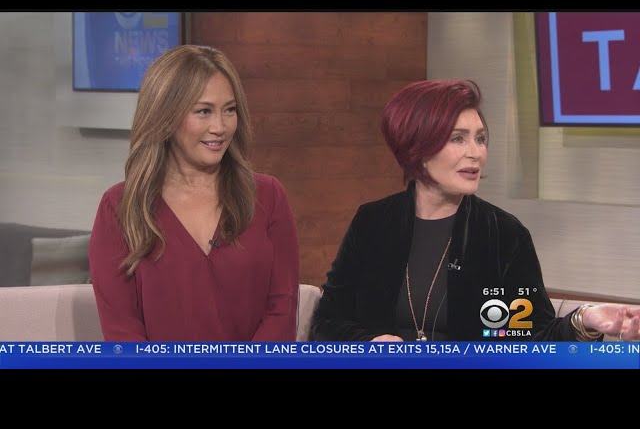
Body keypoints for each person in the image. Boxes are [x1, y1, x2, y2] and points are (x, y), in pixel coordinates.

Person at [311, 79, 640, 342]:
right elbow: (327, 321)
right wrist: (371, 342)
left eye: (480, 139)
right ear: (416, 148)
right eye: (458, 139)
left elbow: (530, 337)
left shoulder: (503, 234)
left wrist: (584, 320)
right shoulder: (373, 222)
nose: (476, 153)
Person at [89, 45, 299, 342]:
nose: (220, 127)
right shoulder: (121, 208)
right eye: (203, 111)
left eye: (230, 110)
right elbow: (122, 331)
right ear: (166, 116)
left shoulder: (268, 197)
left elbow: (282, 309)